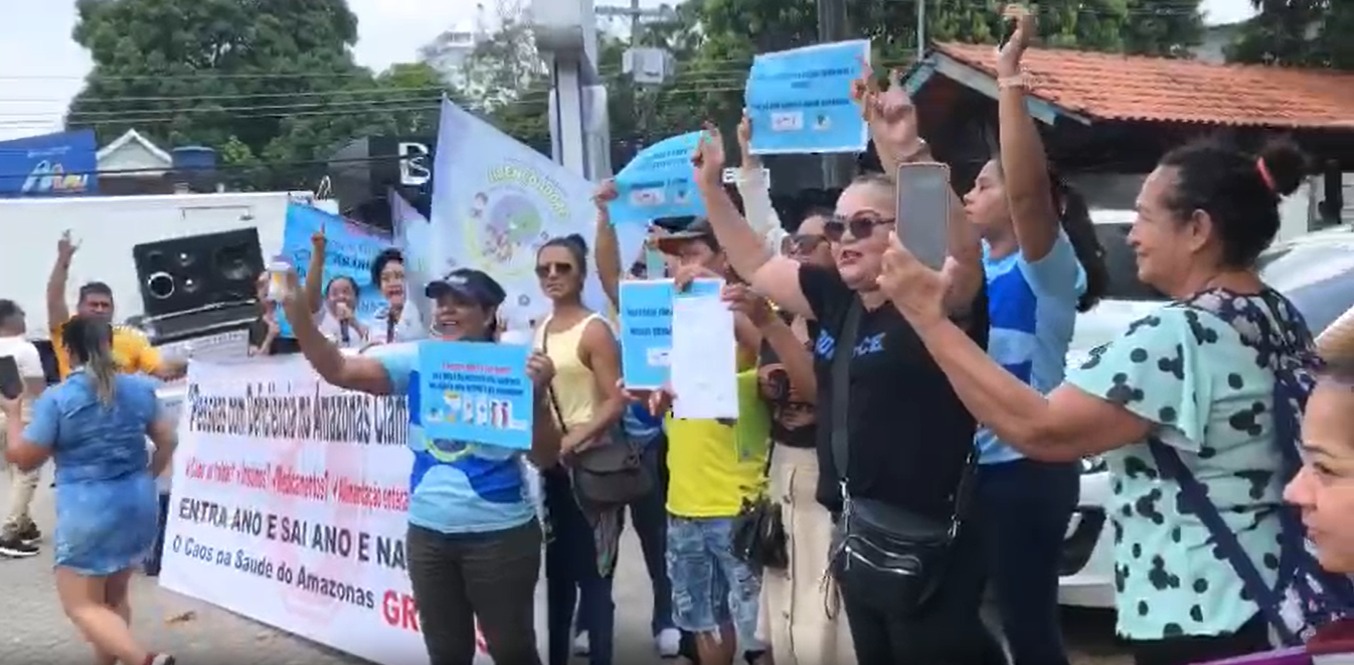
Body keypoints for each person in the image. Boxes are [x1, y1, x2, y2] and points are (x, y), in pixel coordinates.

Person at [879, 127, 1319, 663]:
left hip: (1198, 608)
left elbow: (1041, 428)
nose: (1133, 235)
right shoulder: (1276, 313)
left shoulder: (1180, 335)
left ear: (1198, 228)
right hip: (1272, 591)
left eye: (1145, 217)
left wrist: (929, 321)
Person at [691, 92, 1000, 662]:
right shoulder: (837, 298)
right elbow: (759, 264)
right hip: (858, 536)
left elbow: (960, 251)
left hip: (929, 545)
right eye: (838, 226)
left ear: (903, 231)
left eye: (863, 224)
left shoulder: (929, 293)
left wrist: (907, 151)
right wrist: (712, 188)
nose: (845, 237)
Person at [278, 265, 560, 665]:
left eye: (459, 302)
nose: (445, 310)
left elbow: (546, 457)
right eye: (440, 302)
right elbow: (337, 370)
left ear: (489, 312)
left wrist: (539, 398)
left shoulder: (517, 367)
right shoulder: (416, 358)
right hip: (427, 536)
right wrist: (297, 315)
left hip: (500, 538)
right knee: (445, 652)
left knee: (512, 651)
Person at [963, 11, 1109, 665]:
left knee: (1029, 627)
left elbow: (1027, 198)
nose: (970, 192)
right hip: (968, 472)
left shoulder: (1044, 267)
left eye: (982, 182)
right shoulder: (966, 267)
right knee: (957, 618)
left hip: (1028, 472)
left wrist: (1009, 80)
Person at [730, 113, 855, 665]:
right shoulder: (782, 313)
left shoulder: (852, 318)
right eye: (795, 244)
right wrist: (747, 164)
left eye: (812, 242)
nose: (798, 252)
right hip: (782, 470)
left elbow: (823, 390)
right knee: (785, 605)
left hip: (828, 482)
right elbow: (760, 241)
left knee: (824, 615)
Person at [2, 315, 178, 665]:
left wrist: (13, 412)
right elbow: (168, 439)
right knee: (114, 599)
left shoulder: (59, 399)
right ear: (109, 344)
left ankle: (145, 660)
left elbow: (23, 460)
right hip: (138, 503)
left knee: (81, 605)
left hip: (89, 510)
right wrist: (147, 475)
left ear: (68, 351)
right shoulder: (140, 389)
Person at [589, 188, 682, 659]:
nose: (647, 276)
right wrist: (604, 215)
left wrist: (662, 248)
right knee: (602, 539)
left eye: (659, 263)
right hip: (609, 442)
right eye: (642, 267)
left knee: (657, 539)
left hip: (654, 446)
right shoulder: (630, 311)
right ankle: (593, 620)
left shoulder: (685, 311)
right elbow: (607, 272)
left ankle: (666, 617)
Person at [532, 234, 628, 665]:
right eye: (544, 269)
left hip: (594, 470)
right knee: (557, 578)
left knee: (596, 580)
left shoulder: (595, 331)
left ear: (581, 273)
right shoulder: (542, 328)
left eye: (562, 267)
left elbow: (617, 398)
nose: (552, 275)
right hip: (552, 471)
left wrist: (575, 438)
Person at [45, 231, 184, 380]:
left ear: (113, 310)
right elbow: (54, 301)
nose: (99, 310)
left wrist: (193, 358)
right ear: (79, 307)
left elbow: (163, 370)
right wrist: (63, 261)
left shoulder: (131, 338)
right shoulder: (67, 333)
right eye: (93, 305)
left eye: (105, 305)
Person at [0, 300, 47, 558]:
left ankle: (25, 524)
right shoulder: (24, 349)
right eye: (21, 312)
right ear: (8, 318)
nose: (25, 316)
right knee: (27, 473)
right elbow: (37, 388)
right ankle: (10, 531)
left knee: (14, 474)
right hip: (22, 415)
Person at [301, 229, 370, 349]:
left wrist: (353, 322)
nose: (341, 297)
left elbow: (376, 347)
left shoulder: (368, 325)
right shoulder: (321, 319)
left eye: (346, 292)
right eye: (334, 293)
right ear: (326, 300)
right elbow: (311, 297)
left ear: (357, 297)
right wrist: (318, 252)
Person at [367, 248, 426, 344]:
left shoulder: (425, 314)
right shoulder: (377, 318)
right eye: (386, 278)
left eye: (399, 276)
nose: (393, 283)